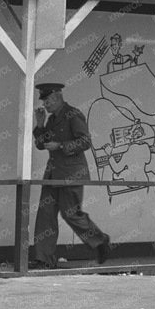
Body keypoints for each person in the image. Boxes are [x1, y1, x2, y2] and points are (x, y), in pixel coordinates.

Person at [31, 82, 112, 268]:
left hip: (72, 173)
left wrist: (60, 145)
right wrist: (40, 124)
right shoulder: (51, 120)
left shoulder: (73, 115)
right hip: (53, 174)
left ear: (57, 97)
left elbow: (85, 141)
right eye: (44, 101)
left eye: (47, 101)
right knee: (46, 214)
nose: (45, 105)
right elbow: (41, 145)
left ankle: (100, 241)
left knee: (71, 214)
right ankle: (43, 259)